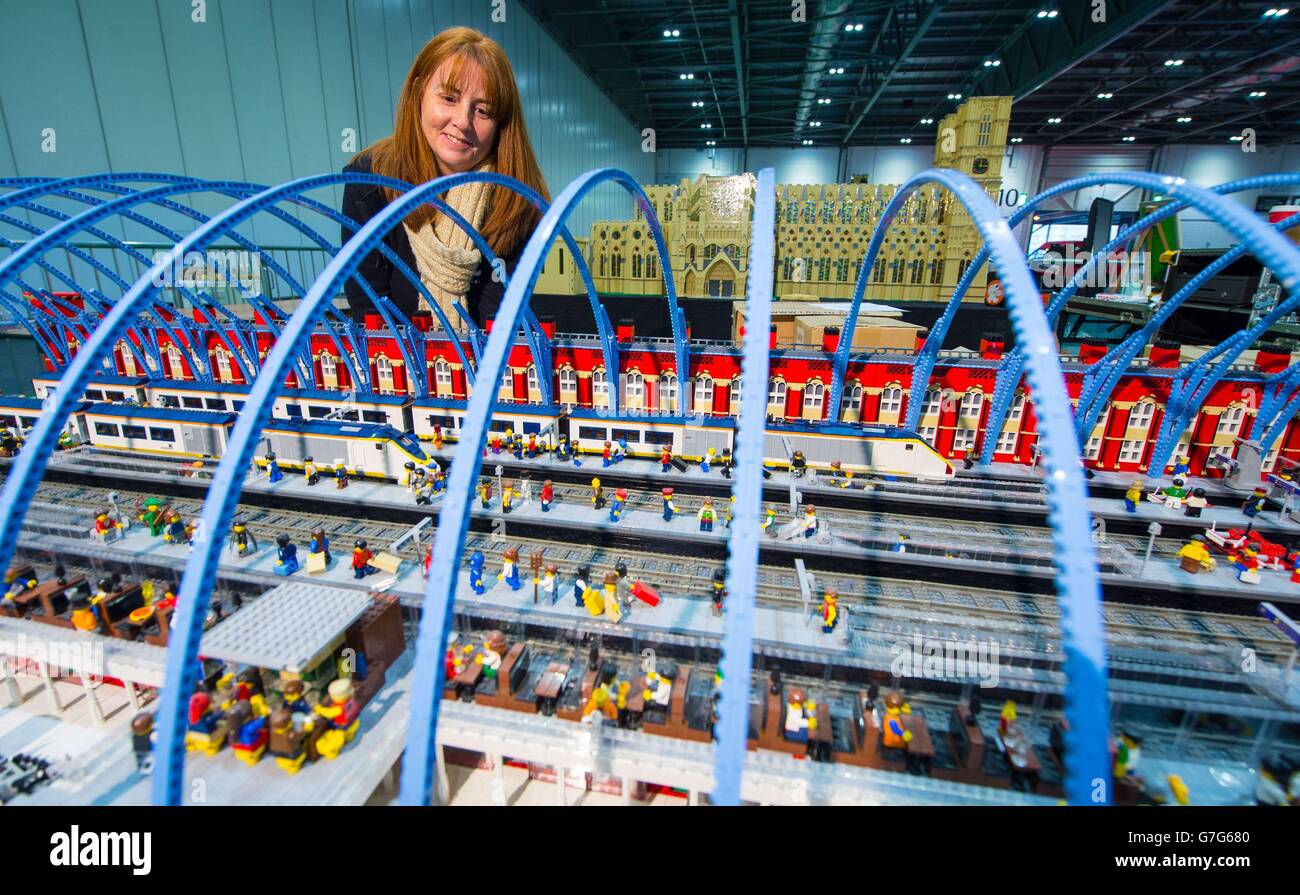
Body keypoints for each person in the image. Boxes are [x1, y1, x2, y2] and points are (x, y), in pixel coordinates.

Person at [340, 28, 548, 329]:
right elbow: (371, 313)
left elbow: (497, 326)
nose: (463, 122)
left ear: (500, 123)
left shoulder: (519, 202)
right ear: (419, 92)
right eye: (449, 98)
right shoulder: (369, 183)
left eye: (483, 111)